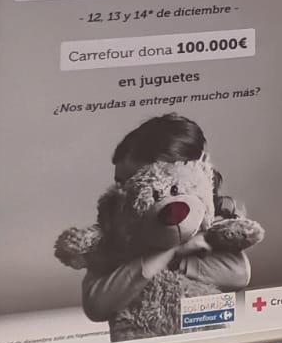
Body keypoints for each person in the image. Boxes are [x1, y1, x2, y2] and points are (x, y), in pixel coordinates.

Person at [81, 115, 251, 323]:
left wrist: (153, 266)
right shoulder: (117, 231)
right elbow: (97, 305)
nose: (127, 193)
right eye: (121, 183)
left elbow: (238, 275)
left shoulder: (211, 222)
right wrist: (173, 251)